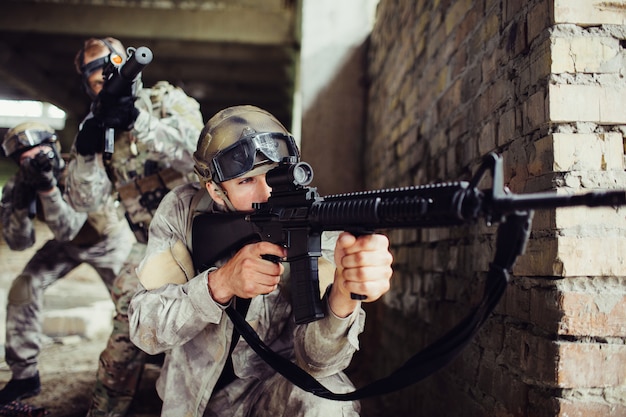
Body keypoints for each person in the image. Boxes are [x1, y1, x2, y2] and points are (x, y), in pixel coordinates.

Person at [128, 105, 394, 416]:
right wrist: (220, 284)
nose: (267, 191)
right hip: (191, 403)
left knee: (327, 401)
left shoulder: (317, 225)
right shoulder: (183, 211)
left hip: (269, 397)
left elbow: (319, 363)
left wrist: (344, 297)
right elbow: (144, 328)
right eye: (246, 181)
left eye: (275, 174)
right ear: (215, 190)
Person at [64, 37, 204, 416]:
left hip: (202, 233)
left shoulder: (164, 101)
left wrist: (138, 122)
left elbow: (199, 150)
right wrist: (85, 152)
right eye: (91, 73)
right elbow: (82, 201)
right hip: (149, 245)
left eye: (107, 66)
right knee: (130, 315)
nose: (101, 77)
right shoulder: (99, 126)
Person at [0, 122, 135, 407]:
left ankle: (151, 361)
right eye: (24, 157)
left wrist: (48, 188)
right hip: (67, 247)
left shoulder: (81, 171)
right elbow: (19, 243)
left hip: (107, 239)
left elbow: (67, 228)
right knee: (24, 287)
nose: (34, 161)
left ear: (52, 146)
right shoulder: (19, 185)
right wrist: (22, 206)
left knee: (135, 300)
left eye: (38, 152)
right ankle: (24, 375)